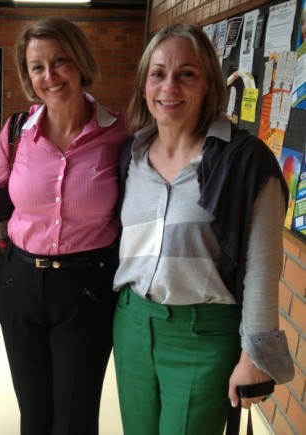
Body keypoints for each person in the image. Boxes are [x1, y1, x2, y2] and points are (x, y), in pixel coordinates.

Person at [112, 23, 295, 435]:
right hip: (132, 325)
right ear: (144, 85)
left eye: (187, 74)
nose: (169, 86)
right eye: (158, 73)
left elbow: (263, 268)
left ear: (209, 84)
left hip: (203, 336)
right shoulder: (130, 156)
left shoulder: (245, 162)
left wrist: (254, 356)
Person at [0, 17, 128, 434]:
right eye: (37, 67)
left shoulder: (118, 133)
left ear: (80, 62)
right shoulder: (16, 132)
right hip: (20, 281)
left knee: (76, 415)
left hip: (86, 286)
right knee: (34, 413)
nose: (50, 75)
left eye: (60, 61)